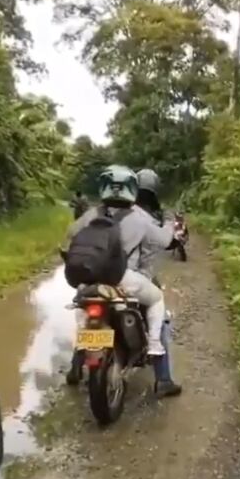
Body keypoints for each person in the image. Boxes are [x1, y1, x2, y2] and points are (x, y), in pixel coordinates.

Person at [63, 165, 182, 398]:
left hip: (89, 279)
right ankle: (161, 367)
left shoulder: (92, 214)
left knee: (86, 316)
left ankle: (76, 363)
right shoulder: (140, 217)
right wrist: (169, 222)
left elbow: (71, 232)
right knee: (157, 300)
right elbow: (166, 240)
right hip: (123, 278)